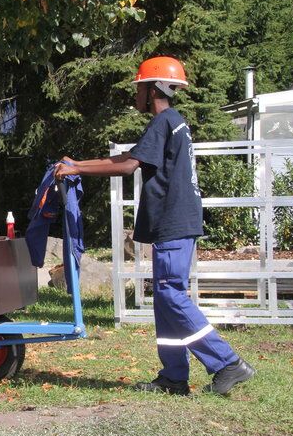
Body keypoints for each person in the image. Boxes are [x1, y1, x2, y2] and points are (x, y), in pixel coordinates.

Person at [54, 56, 255, 395]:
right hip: (174, 223)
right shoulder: (172, 123)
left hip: (174, 224)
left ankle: (227, 363)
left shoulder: (165, 122)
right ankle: (174, 377)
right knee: (164, 299)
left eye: (139, 87)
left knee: (170, 294)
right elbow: (129, 158)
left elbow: (127, 166)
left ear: (154, 89)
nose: (135, 94)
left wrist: (77, 169)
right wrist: (78, 164)